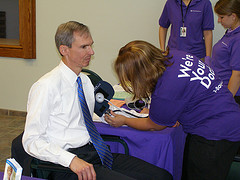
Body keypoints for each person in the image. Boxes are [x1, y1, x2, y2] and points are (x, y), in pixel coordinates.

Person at [22, 21, 173, 180]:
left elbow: (97, 114)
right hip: (64, 164)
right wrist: (71, 160)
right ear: (64, 50)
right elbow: (31, 140)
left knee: (162, 176)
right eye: (84, 47)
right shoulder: (46, 87)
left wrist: (154, 116)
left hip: (93, 153)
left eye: (91, 45)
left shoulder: (85, 82)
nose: (92, 52)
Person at [104, 40, 240, 180]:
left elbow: (154, 125)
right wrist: (168, 114)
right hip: (228, 115)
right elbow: (188, 91)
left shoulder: (166, 90)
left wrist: (125, 120)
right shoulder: (176, 55)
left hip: (215, 135)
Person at [209, 0, 240, 105]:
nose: (218, 20)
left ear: (233, 16)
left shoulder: (238, 38)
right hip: (221, 89)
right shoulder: (230, 32)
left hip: (232, 95)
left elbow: (237, 74)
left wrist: (226, 101)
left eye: (221, 17)